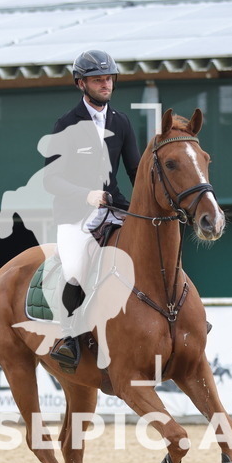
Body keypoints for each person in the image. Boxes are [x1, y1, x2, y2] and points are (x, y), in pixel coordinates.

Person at [43, 49, 141, 370]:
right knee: (74, 269)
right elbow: (52, 180)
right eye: (98, 80)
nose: (105, 84)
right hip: (76, 215)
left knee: (154, 245)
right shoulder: (65, 124)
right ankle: (69, 338)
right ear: (80, 84)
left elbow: (135, 171)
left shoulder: (121, 122)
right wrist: (86, 195)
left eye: (108, 78)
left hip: (115, 209)